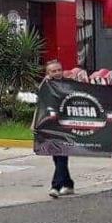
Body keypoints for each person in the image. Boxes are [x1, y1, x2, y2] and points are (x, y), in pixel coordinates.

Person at [42, 61, 75, 198]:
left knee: (61, 155)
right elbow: (40, 104)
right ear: (48, 73)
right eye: (53, 71)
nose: (57, 73)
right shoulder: (46, 86)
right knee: (56, 157)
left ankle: (55, 186)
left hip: (66, 126)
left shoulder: (69, 84)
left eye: (59, 70)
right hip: (51, 125)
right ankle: (68, 184)